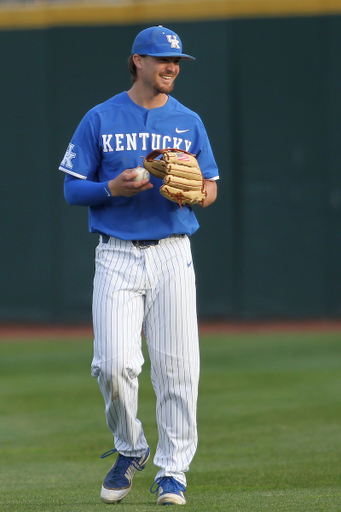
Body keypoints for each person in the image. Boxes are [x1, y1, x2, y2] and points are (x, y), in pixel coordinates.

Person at [59, 25, 219, 506]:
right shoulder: (100, 117)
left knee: (177, 369)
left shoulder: (188, 120)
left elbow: (209, 188)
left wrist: (197, 194)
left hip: (172, 253)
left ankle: (174, 472)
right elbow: (71, 189)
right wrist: (112, 189)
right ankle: (131, 449)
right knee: (112, 365)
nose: (171, 68)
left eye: (176, 62)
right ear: (137, 61)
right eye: (161, 60)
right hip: (116, 254)